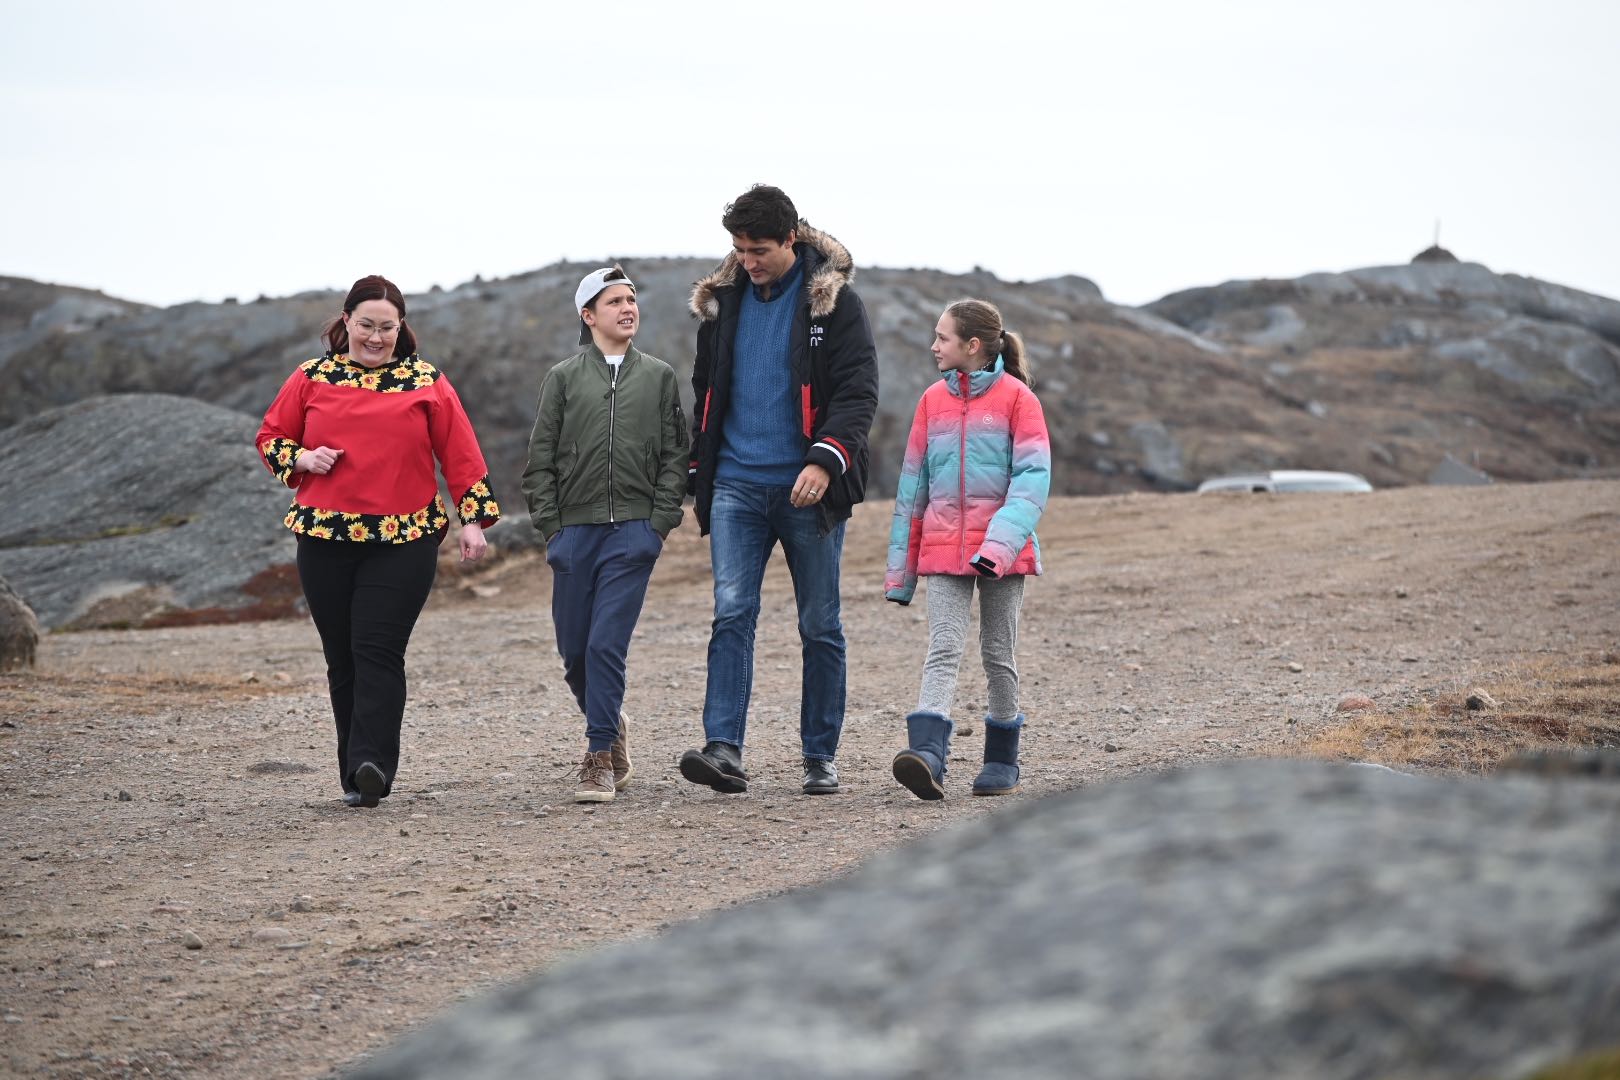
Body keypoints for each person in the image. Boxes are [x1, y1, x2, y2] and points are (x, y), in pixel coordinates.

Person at [256, 274, 499, 808]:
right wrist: (302, 458)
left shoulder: (426, 381)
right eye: (366, 325)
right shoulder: (311, 376)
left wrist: (473, 520)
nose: (375, 336)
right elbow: (270, 436)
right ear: (346, 322)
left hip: (404, 539)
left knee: (378, 650)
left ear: (401, 328)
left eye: (387, 327)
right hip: (324, 538)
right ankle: (354, 773)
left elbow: (461, 454)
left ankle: (374, 765)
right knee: (342, 657)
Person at [680, 185, 879, 796]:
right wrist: (698, 469)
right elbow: (706, 391)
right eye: (739, 250)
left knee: (819, 624)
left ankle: (820, 756)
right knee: (731, 613)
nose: (748, 261)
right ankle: (723, 749)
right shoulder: (722, 304)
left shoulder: (835, 304)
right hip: (736, 486)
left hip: (808, 490)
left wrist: (825, 461)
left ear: (790, 238)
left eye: (759, 250)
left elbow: (858, 392)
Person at [521, 266, 689, 803]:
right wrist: (553, 529)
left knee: (604, 644)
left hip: (634, 533)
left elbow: (675, 456)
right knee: (574, 651)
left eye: (631, 299)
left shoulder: (659, 376)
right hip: (574, 532)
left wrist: (658, 524)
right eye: (614, 301)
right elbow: (540, 459)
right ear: (588, 315)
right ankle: (611, 723)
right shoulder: (563, 377)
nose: (627, 308)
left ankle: (597, 758)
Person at [885, 299, 1050, 799]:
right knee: (943, 647)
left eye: (943, 337)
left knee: (998, 654)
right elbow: (913, 487)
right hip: (942, 548)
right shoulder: (931, 401)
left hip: (1004, 552)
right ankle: (927, 756)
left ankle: (1001, 759)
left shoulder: (1019, 400)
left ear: (972, 345)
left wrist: (998, 547)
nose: (934, 346)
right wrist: (901, 572)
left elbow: (1032, 480)